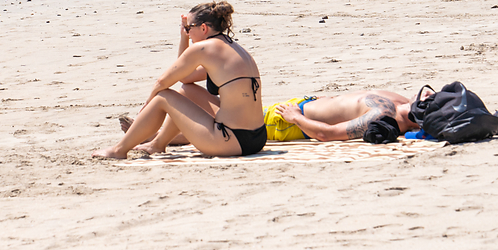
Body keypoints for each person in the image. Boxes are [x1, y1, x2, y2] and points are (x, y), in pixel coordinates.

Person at [94, 1, 267, 159]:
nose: (188, 32)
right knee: (187, 90)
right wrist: (184, 37)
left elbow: (163, 82)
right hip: (257, 138)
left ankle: (119, 150)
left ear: (204, 28)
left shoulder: (203, 48)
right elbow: (185, 78)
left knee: (162, 97)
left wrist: (148, 105)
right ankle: (158, 144)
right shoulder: (233, 48)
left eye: (189, 28)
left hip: (229, 140)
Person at [122, 88, 422, 151]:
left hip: (285, 121)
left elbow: (329, 134)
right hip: (296, 106)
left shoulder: (382, 116)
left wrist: (296, 117)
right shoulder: (401, 101)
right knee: (189, 90)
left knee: (207, 120)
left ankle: (150, 136)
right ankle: (153, 133)